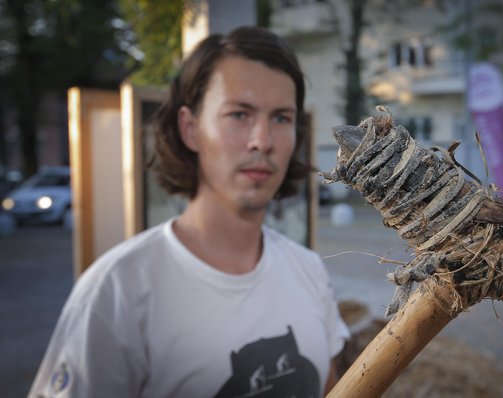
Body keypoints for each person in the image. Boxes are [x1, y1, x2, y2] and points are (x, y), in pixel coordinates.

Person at [29, 26, 349, 398]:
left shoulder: (308, 270)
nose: (262, 140)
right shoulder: (118, 290)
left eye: (281, 118)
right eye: (239, 114)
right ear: (190, 128)